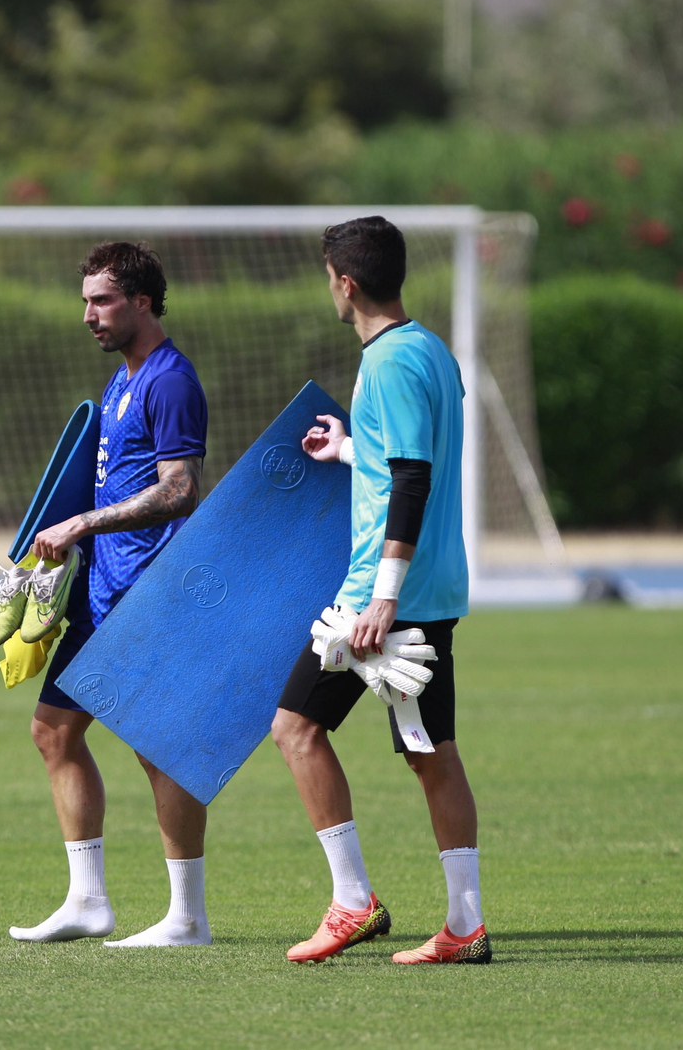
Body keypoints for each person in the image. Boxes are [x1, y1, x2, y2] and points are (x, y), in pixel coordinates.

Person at [270, 216, 490, 965]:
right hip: (416, 591)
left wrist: (384, 597)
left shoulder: (390, 361)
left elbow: (413, 477)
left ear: (346, 281)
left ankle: (364, 905)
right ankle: (449, 922)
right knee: (426, 754)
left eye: (328, 275)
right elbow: (406, 455)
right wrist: (348, 451)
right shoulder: (428, 350)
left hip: (388, 599)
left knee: (302, 730)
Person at [8, 241, 213, 948]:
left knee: (158, 749)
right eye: (86, 302)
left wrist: (83, 522)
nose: (89, 316)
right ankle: (88, 901)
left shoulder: (168, 379)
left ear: (144, 302)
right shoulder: (121, 382)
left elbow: (182, 489)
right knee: (53, 730)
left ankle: (187, 917)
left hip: (150, 597)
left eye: (103, 301)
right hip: (102, 594)